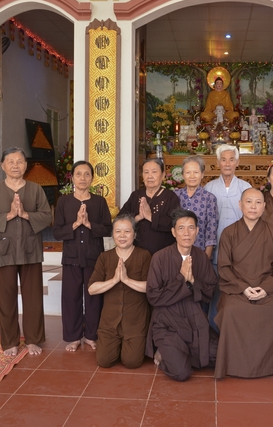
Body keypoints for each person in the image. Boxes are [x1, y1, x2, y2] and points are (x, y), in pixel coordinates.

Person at [0, 147, 51, 356]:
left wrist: (26, 214)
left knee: (33, 298)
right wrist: (9, 215)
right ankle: (10, 341)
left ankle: (33, 339)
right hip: (3, 250)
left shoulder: (36, 190)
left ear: (26, 165)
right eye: (11, 162)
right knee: (5, 298)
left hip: (30, 250)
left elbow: (47, 217)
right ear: (3, 166)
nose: (15, 165)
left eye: (19, 161)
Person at [214, 188, 273, 380]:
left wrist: (266, 288)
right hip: (237, 289)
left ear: (264, 207)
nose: (253, 206)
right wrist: (243, 288)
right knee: (231, 311)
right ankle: (233, 364)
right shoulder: (229, 232)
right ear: (240, 205)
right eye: (249, 202)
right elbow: (224, 267)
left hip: (268, 289)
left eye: (258, 202)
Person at [145, 209, 219, 382]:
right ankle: (166, 351)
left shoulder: (201, 257)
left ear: (197, 231)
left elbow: (210, 291)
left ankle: (177, 353)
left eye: (191, 228)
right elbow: (153, 296)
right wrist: (181, 278)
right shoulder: (160, 258)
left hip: (194, 320)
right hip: (167, 322)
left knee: (221, 356)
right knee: (181, 372)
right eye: (181, 228)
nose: (186, 233)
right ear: (173, 232)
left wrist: (192, 280)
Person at [52, 161, 112, 352]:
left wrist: (89, 224)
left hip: (94, 257)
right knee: (71, 298)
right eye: (78, 174)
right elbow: (57, 232)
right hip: (71, 257)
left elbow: (108, 229)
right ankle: (73, 337)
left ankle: (92, 335)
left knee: (94, 297)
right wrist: (77, 223)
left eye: (87, 174)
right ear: (72, 178)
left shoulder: (99, 202)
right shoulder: (64, 202)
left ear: (92, 178)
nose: (83, 178)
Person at [88, 214, 151, 369]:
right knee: (104, 361)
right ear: (113, 234)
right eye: (118, 231)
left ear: (134, 234)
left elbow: (151, 287)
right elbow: (91, 289)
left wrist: (127, 280)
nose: (122, 235)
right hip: (110, 321)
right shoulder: (104, 257)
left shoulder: (144, 255)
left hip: (135, 321)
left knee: (132, 362)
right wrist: (114, 280)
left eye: (127, 231)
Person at [204, 145, 251, 329]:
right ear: (217, 163)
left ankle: (235, 331)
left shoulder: (245, 187)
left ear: (237, 162)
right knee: (215, 292)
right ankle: (214, 331)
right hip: (215, 250)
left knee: (237, 291)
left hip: (240, 252)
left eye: (231, 160)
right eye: (223, 160)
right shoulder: (209, 188)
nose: (227, 163)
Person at [118, 158, 180, 256]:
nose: (149, 176)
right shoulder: (136, 195)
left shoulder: (170, 197)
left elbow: (175, 224)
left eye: (154, 172)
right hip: (136, 253)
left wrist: (150, 216)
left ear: (163, 175)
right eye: (146, 172)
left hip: (163, 254)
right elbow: (119, 220)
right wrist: (138, 217)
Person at [174, 156, 218, 259]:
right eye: (188, 172)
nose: (192, 176)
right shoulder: (175, 196)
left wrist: (206, 257)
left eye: (196, 172)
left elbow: (211, 229)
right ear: (183, 175)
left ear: (202, 174)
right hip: (176, 252)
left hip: (200, 251)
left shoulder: (209, 198)